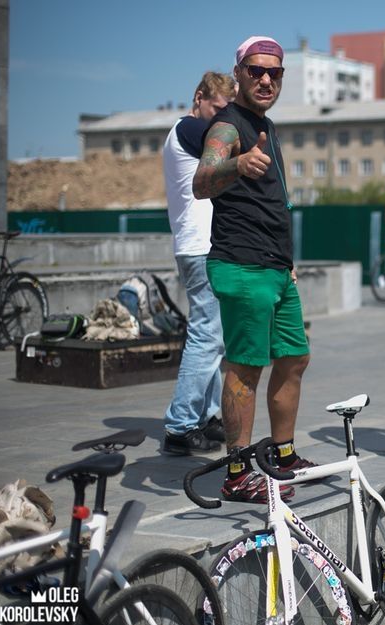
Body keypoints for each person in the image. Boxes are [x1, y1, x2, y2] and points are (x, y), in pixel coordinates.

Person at [193, 35, 314, 503]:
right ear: (239, 72)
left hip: (274, 267)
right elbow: (202, 182)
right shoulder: (227, 127)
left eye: (275, 72)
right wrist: (238, 164)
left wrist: (287, 262)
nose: (266, 79)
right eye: (256, 71)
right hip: (243, 264)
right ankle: (238, 472)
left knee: (294, 357)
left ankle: (282, 456)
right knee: (245, 368)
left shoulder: (264, 123)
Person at [161, 71, 236, 456]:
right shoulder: (191, 127)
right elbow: (223, 148)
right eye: (218, 110)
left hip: (202, 246)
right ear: (198, 98)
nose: (221, 120)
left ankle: (206, 416)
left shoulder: (194, 131)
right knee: (207, 335)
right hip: (199, 246)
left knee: (213, 335)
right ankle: (180, 425)